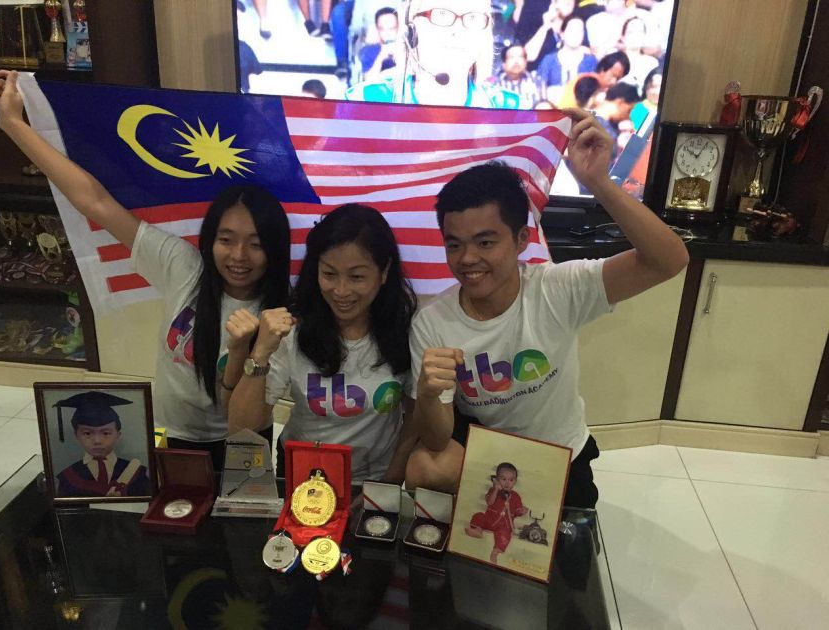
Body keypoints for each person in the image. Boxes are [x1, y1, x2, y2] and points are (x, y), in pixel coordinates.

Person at [0, 70, 291, 473]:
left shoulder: (278, 314)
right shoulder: (183, 265)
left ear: (275, 248)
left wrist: (248, 349)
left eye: (256, 244)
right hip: (174, 434)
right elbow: (94, 200)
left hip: (242, 438)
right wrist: (13, 124)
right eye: (226, 239)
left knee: (240, 529)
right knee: (175, 525)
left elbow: (242, 413)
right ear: (209, 240)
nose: (238, 256)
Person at [405, 109, 690, 507]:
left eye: (486, 242)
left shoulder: (557, 288)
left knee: (568, 557)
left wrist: (598, 183)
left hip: (559, 457)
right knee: (424, 467)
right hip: (486, 459)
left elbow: (669, 260)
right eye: (454, 244)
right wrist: (428, 392)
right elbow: (436, 439)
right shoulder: (432, 322)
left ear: (522, 240)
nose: (467, 258)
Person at [227, 204, 418, 483]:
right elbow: (240, 427)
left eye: (356, 277)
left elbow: (413, 422)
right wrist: (260, 352)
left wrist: (386, 484)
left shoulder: (407, 330)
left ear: (384, 271)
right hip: (303, 476)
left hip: (373, 479)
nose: (341, 291)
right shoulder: (291, 330)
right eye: (329, 274)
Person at [346, 0, 519, 109]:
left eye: (473, 17)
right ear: (410, 30)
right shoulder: (363, 102)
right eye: (441, 14)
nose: (457, 30)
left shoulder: (510, 110)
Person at [53, 391, 151, 498]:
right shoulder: (66, 478)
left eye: (106, 433)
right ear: (76, 435)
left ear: (118, 435)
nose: (97, 440)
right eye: (87, 433)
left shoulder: (140, 474)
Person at [466, 462, 528, 564]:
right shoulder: (493, 490)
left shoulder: (516, 496)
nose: (507, 483)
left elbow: (517, 512)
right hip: (488, 520)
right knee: (478, 515)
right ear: (497, 479)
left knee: (505, 534)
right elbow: (489, 502)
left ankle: (496, 551)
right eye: (503, 479)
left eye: (511, 480)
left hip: (503, 525)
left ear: (515, 481)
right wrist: (495, 489)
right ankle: (477, 530)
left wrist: (521, 511)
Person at [536, 15, 598, 89]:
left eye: (579, 31)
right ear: (562, 34)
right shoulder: (549, 61)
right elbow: (539, 87)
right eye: (571, 30)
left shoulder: (591, 61)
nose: (575, 34)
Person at [495, 43, 547, 110]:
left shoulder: (537, 82)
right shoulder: (495, 84)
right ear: (504, 64)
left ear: (526, 62)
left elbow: (545, 110)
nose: (516, 61)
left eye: (520, 57)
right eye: (511, 57)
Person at [357, 7, 399, 81]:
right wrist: (381, 57)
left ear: (398, 27)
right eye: (382, 29)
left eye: (392, 28)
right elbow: (368, 82)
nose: (388, 33)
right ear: (377, 29)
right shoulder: (369, 51)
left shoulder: (409, 49)